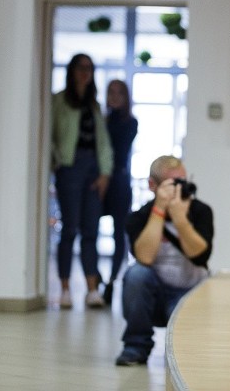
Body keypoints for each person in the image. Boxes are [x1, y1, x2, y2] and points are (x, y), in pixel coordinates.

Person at [115, 155, 213, 366]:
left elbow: (200, 256)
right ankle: (136, 347)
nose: (181, 190)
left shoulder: (201, 212)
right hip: (154, 296)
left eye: (184, 182)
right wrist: (159, 210)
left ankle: (185, 353)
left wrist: (180, 219)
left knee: (186, 341)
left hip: (188, 294)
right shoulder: (139, 217)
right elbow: (145, 257)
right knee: (136, 274)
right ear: (153, 185)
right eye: (174, 184)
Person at [51, 53, 113, 309]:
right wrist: (57, 163)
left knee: (91, 231)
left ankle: (91, 289)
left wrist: (104, 173)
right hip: (69, 168)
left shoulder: (94, 105)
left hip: (93, 171)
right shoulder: (58, 101)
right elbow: (51, 136)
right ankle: (65, 289)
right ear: (72, 71)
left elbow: (103, 143)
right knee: (69, 229)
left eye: (89, 68)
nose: (85, 72)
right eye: (81, 68)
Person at [102, 79, 138, 305]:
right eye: (110, 92)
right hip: (99, 182)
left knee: (119, 235)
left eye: (119, 93)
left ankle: (111, 280)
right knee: (89, 231)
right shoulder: (101, 121)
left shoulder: (130, 123)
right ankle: (94, 279)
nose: (114, 97)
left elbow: (118, 148)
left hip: (120, 182)